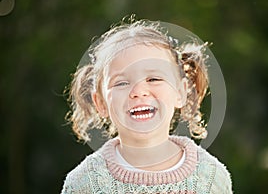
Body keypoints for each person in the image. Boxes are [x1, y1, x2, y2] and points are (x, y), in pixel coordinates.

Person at [61, 18, 232, 193]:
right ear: (101, 103)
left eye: (154, 79)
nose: (139, 91)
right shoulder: (84, 183)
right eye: (121, 83)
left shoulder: (211, 178)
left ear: (181, 92)